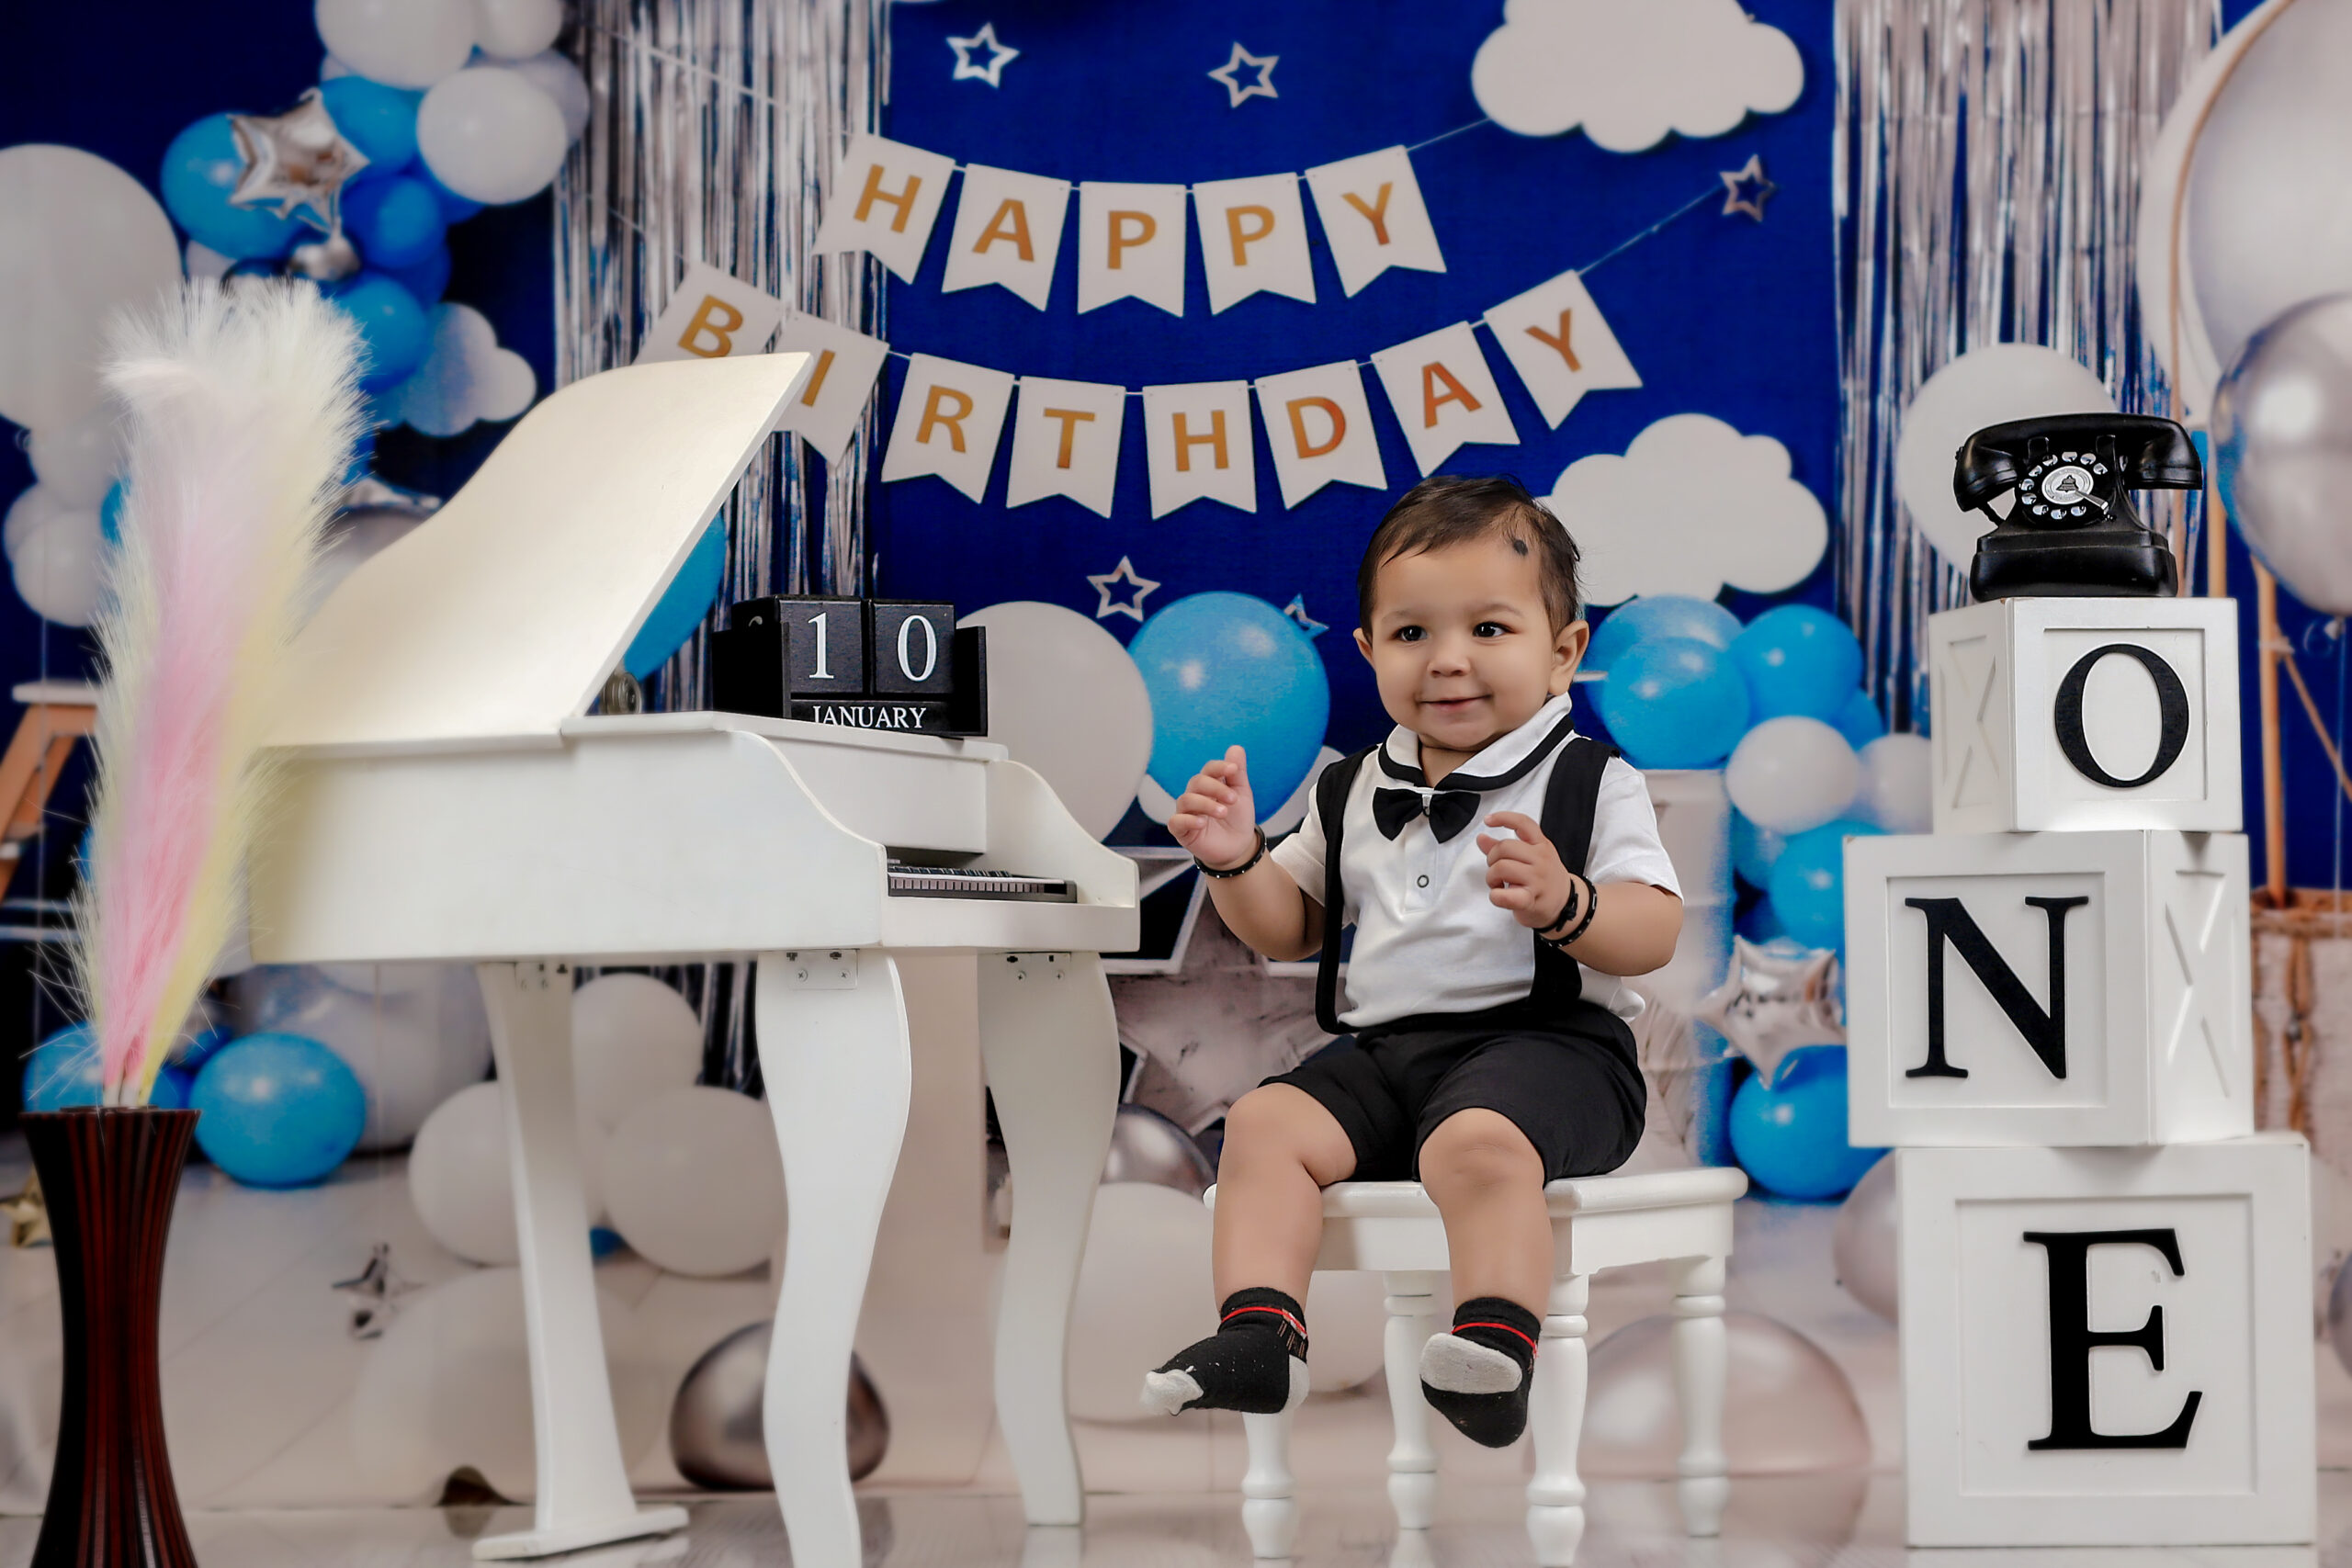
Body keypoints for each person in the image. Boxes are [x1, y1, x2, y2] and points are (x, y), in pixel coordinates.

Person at [1138, 474, 1683, 1448]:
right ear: (1369, 651)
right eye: (1412, 633)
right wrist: (1235, 860)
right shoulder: (1352, 788)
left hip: (1552, 1053)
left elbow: (1655, 929)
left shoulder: (1591, 781)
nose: (1448, 659)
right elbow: (1291, 926)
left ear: (1563, 653)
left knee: (1474, 1143)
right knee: (1263, 1123)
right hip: (1389, 1058)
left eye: (1489, 629)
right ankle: (1261, 1332)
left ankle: (1493, 1345)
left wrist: (1570, 903)